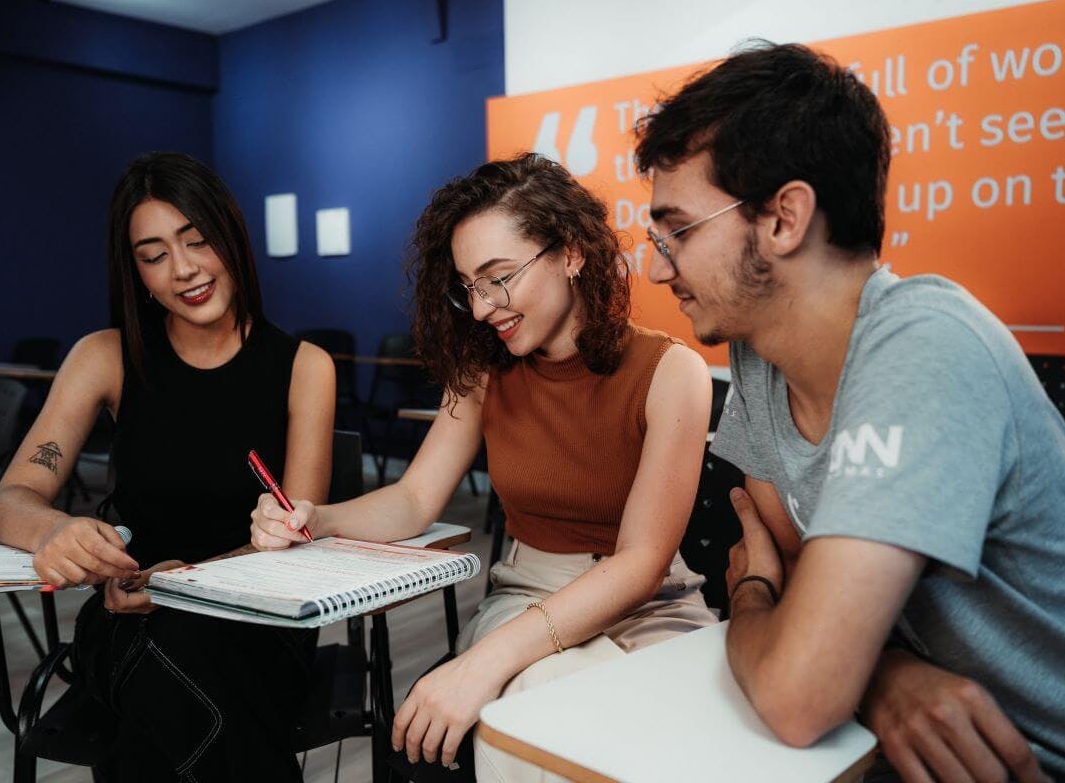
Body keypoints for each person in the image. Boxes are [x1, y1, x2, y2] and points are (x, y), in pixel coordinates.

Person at [636, 41, 1065, 781]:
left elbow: (797, 687)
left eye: (677, 230)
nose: (656, 265)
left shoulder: (925, 343)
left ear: (784, 219)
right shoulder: (759, 352)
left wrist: (749, 595)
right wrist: (882, 675)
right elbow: (804, 570)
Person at [251, 153, 716, 781]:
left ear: (572, 252)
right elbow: (415, 500)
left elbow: (640, 564)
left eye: (499, 276)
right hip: (529, 591)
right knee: (540, 715)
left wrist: (483, 664)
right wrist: (316, 517)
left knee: (548, 716)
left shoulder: (670, 371)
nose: (480, 307)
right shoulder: (482, 374)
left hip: (649, 607)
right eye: (468, 284)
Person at [0, 151, 336, 780]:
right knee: (170, 656)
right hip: (129, 612)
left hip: (258, 619)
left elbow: (295, 546)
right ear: (137, 273)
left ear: (230, 236)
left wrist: (186, 583)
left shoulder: (304, 366)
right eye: (154, 255)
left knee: (172, 681)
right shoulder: (106, 356)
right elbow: (12, 496)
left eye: (198, 241)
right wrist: (53, 532)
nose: (183, 270)